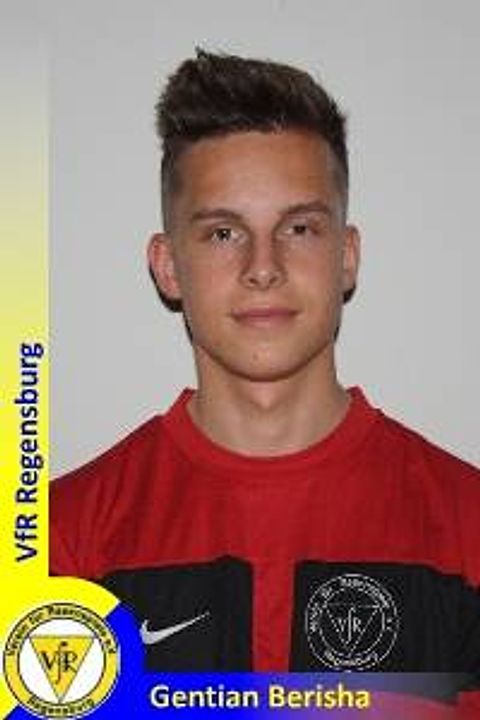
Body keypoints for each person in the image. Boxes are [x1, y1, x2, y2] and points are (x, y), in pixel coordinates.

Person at [50, 49, 480, 709]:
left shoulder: (466, 529)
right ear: (168, 267)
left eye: (299, 228)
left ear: (346, 256)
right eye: (223, 233)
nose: (262, 267)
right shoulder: (59, 543)